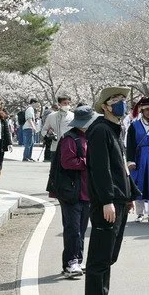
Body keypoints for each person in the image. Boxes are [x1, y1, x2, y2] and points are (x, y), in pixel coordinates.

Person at [85, 86, 140, 295]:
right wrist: (107, 200)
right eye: (115, 100)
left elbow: (120, 166)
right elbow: (101, 169)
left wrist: (129, 194)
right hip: (107, 202)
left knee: (109, 256)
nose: (121, 103)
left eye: (122, 99)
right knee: (99, 258)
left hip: (119, 200)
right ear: (105, 107)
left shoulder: (115, 129)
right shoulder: (101, 130)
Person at [54, 106, 97, 279]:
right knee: (73, 228)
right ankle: (71, 262)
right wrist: (88, 161)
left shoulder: (89, 137)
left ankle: (77, 260)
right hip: (71, 191)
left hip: (86, 190)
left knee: (81, 228)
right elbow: (67, 162)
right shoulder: (70, 138)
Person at [42, 94, 75, 162]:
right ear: (59, 104)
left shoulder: (73, 116)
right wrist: (48, 133)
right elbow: (43, 131)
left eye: (68, 103)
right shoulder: (51, 116)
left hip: (69, 148)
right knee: (54, 168)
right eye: (65, 103)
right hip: (55, 148)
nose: (67, 105)